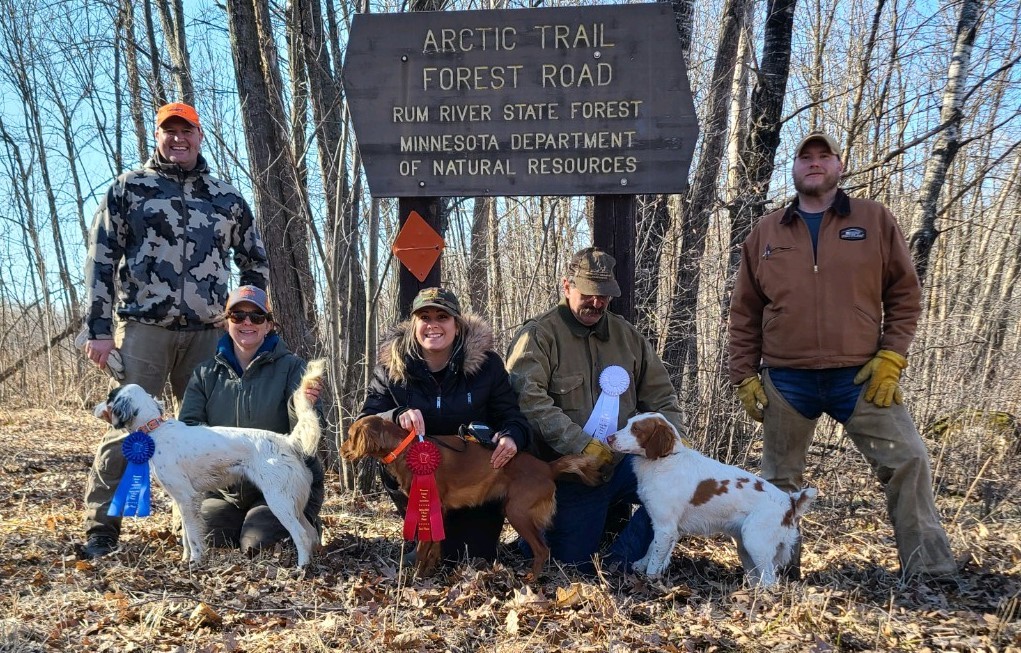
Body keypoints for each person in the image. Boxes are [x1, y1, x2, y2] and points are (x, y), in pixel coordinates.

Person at [728, 130, 957, 579]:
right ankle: (774, 576)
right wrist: (743, 375)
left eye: (823, 156)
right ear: (793, 168)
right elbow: (745, 311)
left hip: (860, 375)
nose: (814, 163)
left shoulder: (874, 220)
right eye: (805, 157)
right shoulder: (767, 231)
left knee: (908, 459)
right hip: (787, 379)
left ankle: (928, 570)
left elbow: (906, 296)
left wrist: (892, 356)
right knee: (778, 484)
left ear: (839, 166)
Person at [79, 101, 269, 559]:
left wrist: (247, 317)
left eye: (187, 131)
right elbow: (101, 260)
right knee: (129, 432)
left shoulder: (225, 197)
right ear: (159, 136)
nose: (178, 139)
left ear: (199, 136)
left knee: (206, 432)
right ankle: (102, 529)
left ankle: (206, 525)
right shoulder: (129, 188)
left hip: (208, 332)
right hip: (145, 328)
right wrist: (98, 329)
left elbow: (254, 261)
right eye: (170, 131)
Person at [505, 247, 685, 572]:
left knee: (679, 487)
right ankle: (541, 533)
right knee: (570, 564)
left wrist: (675, 449)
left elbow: (661, 398)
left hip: (626, 463)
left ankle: (623, 561)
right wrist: (581, 446)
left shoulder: (627, 336)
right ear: (567, 286)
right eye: (589, 293)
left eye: (604, 295)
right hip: (573, 472)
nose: (597, 303)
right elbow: (529, 401)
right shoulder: (539, 335)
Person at [357, 287, 530, 565]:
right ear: (414, 324)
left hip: (473, 482)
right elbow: (364, 424)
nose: (433, 325)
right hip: (416, 486)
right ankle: (422, 534)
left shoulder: (488, 366)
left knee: (466, 558)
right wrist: (395, 414)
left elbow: (513, 417)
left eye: (443, 317)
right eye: (425, 317)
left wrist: (512, 436)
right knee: (431, 556)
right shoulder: (390, 369)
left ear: (457, 325)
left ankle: (455, 538)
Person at [177, 286, 325, 555]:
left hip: (275, 485)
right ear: (226, 322)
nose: (247, 322)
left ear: (268, 325)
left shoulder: (293, 367)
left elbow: (308, 439)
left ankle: (306, 525)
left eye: (257, 317)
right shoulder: (205, 374)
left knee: (262, 547)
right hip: (223, 492)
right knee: (211, 542)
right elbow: (188, 433)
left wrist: (303, 405)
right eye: (238, 316)